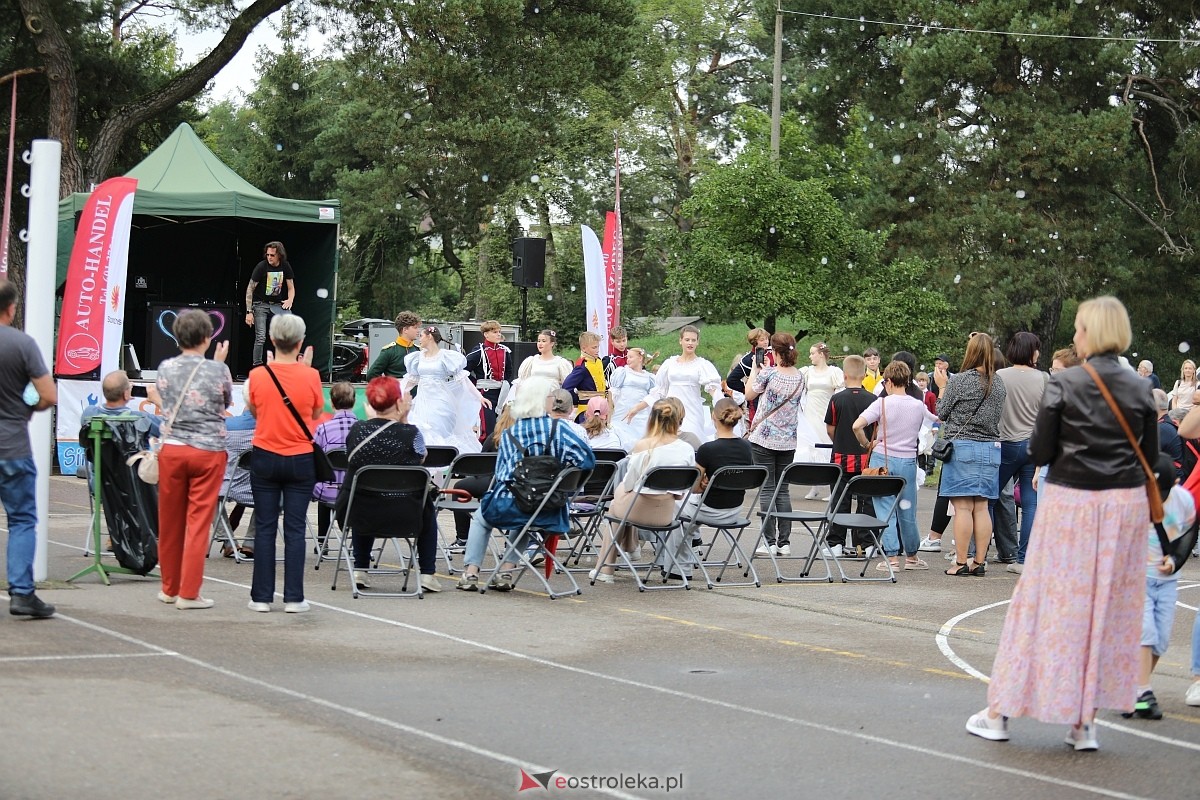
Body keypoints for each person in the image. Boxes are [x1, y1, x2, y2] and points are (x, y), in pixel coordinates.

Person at [966, 296, 1157, 752]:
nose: (1074, 336)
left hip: (1072, 503)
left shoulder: (1066, 382)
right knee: (1104, 611)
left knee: (1042, 605)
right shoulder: (1140, 389)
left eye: (1078, 328)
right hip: (1124, 508)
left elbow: (1041, 451)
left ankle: (999, 713)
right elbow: (1150, 460)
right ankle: (1084, 720)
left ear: (1092, 332)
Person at [455, 376, 595, 591]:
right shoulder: (561, 430)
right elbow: (586, 461)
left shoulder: (512, 433)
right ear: (541, 400)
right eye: (550, 396)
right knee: (526, 514)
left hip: (511, 504)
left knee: (483, 518)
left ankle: (471, 572)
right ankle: (506, 571)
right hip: (551, 508)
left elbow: (502, 475)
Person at [156, 309, 234, 610]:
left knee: (170, 521)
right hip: (207, 450)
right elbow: (226, 402)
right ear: (207, 337)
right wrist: (217, 365)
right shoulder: (218, 370)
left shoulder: (165, 367)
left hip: (172, 448)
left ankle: (169, 587)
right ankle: (189, 593)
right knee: (198, 522)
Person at [246, 314, 323, 614]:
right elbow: (316, 413)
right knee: (295, 528)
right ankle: (294, 597)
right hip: (300, 457)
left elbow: (254, 410)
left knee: (265, 527)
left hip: (265, 453)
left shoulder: (258, 375)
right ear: (300, 343)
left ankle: (261, 597)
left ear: (273, 341)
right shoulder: (311, 376)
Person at [340, 377, 442, 593]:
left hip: (363, 514)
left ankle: (360, 568)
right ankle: (427, 573)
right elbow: (422, 457)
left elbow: (350, 457)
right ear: (398, 402)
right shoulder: (412, 433)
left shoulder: (357, 430)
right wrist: (403, 418)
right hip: (407, 513)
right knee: (428, 509)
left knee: (364, 495)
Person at [590, 398, 696, 583]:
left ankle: (607, 568)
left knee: (617, 502)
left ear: (652, 419)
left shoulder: (644, 446)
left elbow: (630, 483)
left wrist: (623, 489)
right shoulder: (686, 449)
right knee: (624, 501)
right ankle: (630, 547)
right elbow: (686, 485)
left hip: (639, 509)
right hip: (667, 512)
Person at [1122, 453, 1195, 721]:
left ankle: (1132, 689)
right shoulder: (1132, 499)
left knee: (1160, 641)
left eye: (1163, 491)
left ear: (1175, 483)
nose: (1158, 497)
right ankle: (1143, 693)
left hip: (1167, 582)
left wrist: (1175, 560)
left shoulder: (1183, 500)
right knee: (1146, 633)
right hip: (1136, 579)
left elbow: (1189, 531)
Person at [0, 281, 58, 618]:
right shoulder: (23, 344)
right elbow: (48, 395)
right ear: (11, 308)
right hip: (11, 444)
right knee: (21, 519)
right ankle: (22, 593)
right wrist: (24, 408)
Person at [852, 360, 938, 572]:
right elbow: (935, 420)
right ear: (908, 381)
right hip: (908, 460)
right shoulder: (918, 405)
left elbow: (857, 425)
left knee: (884, 509)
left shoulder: (881, 403)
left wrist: (866, 443)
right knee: (907, 509)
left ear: (888, 382)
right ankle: (912, 556)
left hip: (883, 459)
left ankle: (891, 558)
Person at [661, 398, 755, 580]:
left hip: (710, 509)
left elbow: (694, 487)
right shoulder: (747, 447)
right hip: (735, 510)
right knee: (688, 514)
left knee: (674, 505)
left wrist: (703, 483)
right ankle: (692, 541)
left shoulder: (708, 449)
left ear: (713, 416)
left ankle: (678, 568)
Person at [936, 333, 1006, 576]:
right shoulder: (998, 383)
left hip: (963, 447)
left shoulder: (960, 381)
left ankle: (961, 561)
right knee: (982, 506)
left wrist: (942, 387)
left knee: (963, 508)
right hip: (990, 448)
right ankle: (979, 561)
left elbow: (942, 413)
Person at [745, 332, 806, 557]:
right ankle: (785, 541)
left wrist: (754, 369)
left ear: (776, 352)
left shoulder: (769, 374)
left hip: (764, 438)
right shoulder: (800, 377)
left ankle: (769, 541)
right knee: (783, 490)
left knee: (767, 488)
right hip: (788, 440)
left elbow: (749, 393)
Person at [993, 332, 1049, 572]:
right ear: (1031, 351)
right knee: (1030, 504)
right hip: (1032, 445)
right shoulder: (1044, 378)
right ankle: (1023, 558)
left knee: (986, 500)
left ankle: (976, 553)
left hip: (1004, 443)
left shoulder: (999, 376)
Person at [402, 326, 490, 454]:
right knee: (425, 431)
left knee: (440, 430)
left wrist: (479, 397)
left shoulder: (446, 356)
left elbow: (463, 379)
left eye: (421, 335)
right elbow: (411, 381)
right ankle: (429, 468)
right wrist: (399, 395)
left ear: (429, 336)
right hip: (423, 400)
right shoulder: (417, 357)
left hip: (440, 399)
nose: (418, 338)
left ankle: (442, 465)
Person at [630, 325, 722, 443]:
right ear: (680, 341)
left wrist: (722, 408)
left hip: (692, 411)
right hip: (671, 410)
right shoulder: (670, 363)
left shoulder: (702, 365)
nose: (690, 343)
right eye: (687, 339)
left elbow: (713, 389)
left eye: (693, 340)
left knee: (692, 440)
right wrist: (637, 408)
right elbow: (659, 391)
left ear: (697, 342)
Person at [825, 355, 878, 556]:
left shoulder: (836, 399)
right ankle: (866, 543)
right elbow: (876, 429)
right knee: (866, 501)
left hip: (840, 457)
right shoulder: (873, 399)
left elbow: (831, 429)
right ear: (865, 375)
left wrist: (838, 439)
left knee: (839, 500)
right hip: (866, 459)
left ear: (844, 375)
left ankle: (836, 543)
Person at [313, 382, 358, 547]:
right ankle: (355, 541)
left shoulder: (323, 428)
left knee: (322, 484)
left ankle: (321, 541)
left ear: (332, 403)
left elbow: (314, 457)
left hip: (328, 490)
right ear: (354, 402)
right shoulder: (362, 429)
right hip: (356, 491)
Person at [244, 241, 295, 367]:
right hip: (260, 304)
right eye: (267, 255)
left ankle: (283, 364)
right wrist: (249, 312)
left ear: (279, 255)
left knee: (283, 334)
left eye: (272, 255)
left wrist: (290, 300)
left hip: (277, 305)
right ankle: (257, 366)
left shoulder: (285, 266)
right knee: (261, 336)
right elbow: (250, 289)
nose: (269, 258)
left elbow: (291, 287)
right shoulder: (261, 266)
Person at [797, 342, 845, 473]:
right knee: (811, 444)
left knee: (825, 441)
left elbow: (840, 393)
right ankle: (814, 482)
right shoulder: (807, 372)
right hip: (810, 411)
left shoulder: (834, 372)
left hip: (826, 410)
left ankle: (829, 477)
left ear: (821, 355)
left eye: (812, 353)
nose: (810, 356)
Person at [464, 320, 513, 441]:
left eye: (499, 332)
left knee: (503, 427)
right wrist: (476, 384)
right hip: (485, 393)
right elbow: (463, 371)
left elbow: (508, 372)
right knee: (488, 428)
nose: (498, 335)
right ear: (486, 334)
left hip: (502, 393)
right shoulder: (479, 351)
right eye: (495, 332)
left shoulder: (505, 351)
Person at [80, 370, 162, 441]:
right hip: (132, 459)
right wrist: (160, 402)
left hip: (98, 459)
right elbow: (172, 426)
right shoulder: (142, 419)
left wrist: (125, 392)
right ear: (126, 394)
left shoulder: (89, 413)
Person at [219, 405, 256, 558]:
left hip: (228, 486)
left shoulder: (226, 424)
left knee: (210, 498)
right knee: (270, 494)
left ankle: (228, 541)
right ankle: (251, 541)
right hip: (256, 487)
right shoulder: (270, 427)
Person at [726, 328, 772, 422]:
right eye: (762, 340)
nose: (766, 342)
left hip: (773, 398)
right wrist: (747, 389)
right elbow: (731, 380)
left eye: (766, 339)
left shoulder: (774, 354)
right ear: (754, 342)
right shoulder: (748, 359)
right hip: (756, 400)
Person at [612, 346, 656, 443]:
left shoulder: (649, 378)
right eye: (627, 357)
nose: (628, 360)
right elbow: (614, 393)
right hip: (624, 408)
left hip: (640, 411)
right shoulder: (623, 372)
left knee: (640, 435)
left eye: (631, 357)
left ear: (640, 358)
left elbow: (652, 395)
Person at [366, 311, 422, 381]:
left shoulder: (418, 350)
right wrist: (388, 386)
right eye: (415, 327)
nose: (418, 330)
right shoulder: (389, 351)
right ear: (405, 330)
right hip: (396, 391)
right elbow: (371, 375)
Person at [562, 331, 607, 415]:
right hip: (586, 409)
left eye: (598, 347)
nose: (597, 350)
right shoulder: (582, 367)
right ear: (583, 348)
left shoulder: (598, 361)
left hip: (601, 406)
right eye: (594, 348)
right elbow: (566, 387)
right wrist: (577, 400)